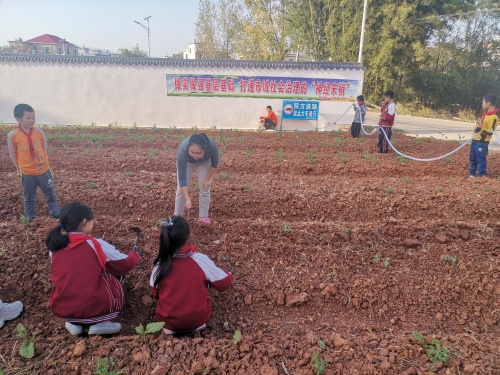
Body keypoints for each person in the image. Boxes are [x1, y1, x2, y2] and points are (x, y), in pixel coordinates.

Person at [46, 202, 140, 336]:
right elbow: (124, 265)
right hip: (96, 306)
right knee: (117, 277)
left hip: (65, 308)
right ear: (84, 222)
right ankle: (102, 324)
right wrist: (134, 255)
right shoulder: (94, 244)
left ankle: (74, 324)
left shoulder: (54, 247)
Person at [150, 216, 232, 335]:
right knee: (205, 282)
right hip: (197, 322)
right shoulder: (199, 260)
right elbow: (225, 284)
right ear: (188, 236)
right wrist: (228, 274)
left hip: (168, 324)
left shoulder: (160, 265)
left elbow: (155, 293)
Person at [7, 104, 60, 221]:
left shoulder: (39, 133)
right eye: (28, 118)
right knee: (28, 197)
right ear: (18, 119)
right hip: (27, 173)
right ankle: (30, 217)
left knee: (50, 193)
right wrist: (18, 169)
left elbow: (44, 149)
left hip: (44, 171)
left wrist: (42, 163)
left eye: (33, 117)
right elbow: (13, 153)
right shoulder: (13, 136)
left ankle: (55, 213)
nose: (32, 120)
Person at [175, 133, 219, 224]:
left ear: (205, 149)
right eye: (192, 152)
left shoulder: (212, 146)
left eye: (198, 153)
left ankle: (203, 217)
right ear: (188, 149)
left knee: (205, 187)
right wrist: (187, 199)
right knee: (181, 190)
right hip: (187, 162)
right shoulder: (183, 150)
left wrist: (207, 179)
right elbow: (182, 178)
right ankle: (177, 217)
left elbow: (214, 165)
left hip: (204, 162)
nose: (195, 155)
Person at [469, 94, 499, 178]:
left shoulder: (494, 117)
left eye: (483, 103)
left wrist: (481, 126)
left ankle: (481, 176)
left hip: (482, 142)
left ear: (488, 104)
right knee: (473, 158)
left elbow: (490, 132)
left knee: (481, 159)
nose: (482, 104)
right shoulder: (485, 115)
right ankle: (472, 175)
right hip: (475, 139)